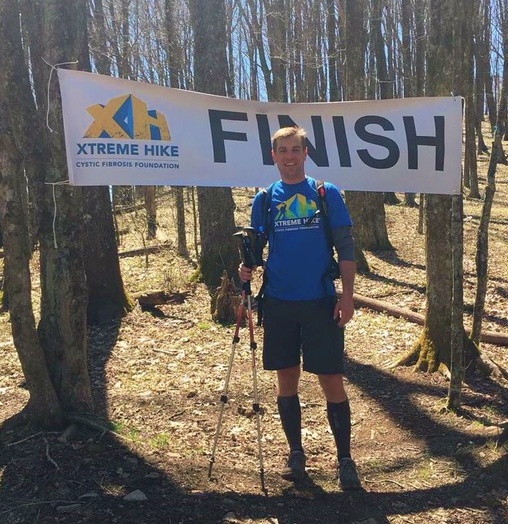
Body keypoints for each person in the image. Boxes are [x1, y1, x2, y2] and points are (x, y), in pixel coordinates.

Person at [239, 126, 361, 490]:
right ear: (273, 155)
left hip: (321, 300)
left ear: (305, 153)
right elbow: (256, 252)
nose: (289, 157)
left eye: (296, 149)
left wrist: (348, 295)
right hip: (278, 303)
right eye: (282, 151)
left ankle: (345, 459)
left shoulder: (326, 193)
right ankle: (296, 454)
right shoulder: (264, 198)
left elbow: (346, 248)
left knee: (331, 381)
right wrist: (245, 269)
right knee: (286, 379)